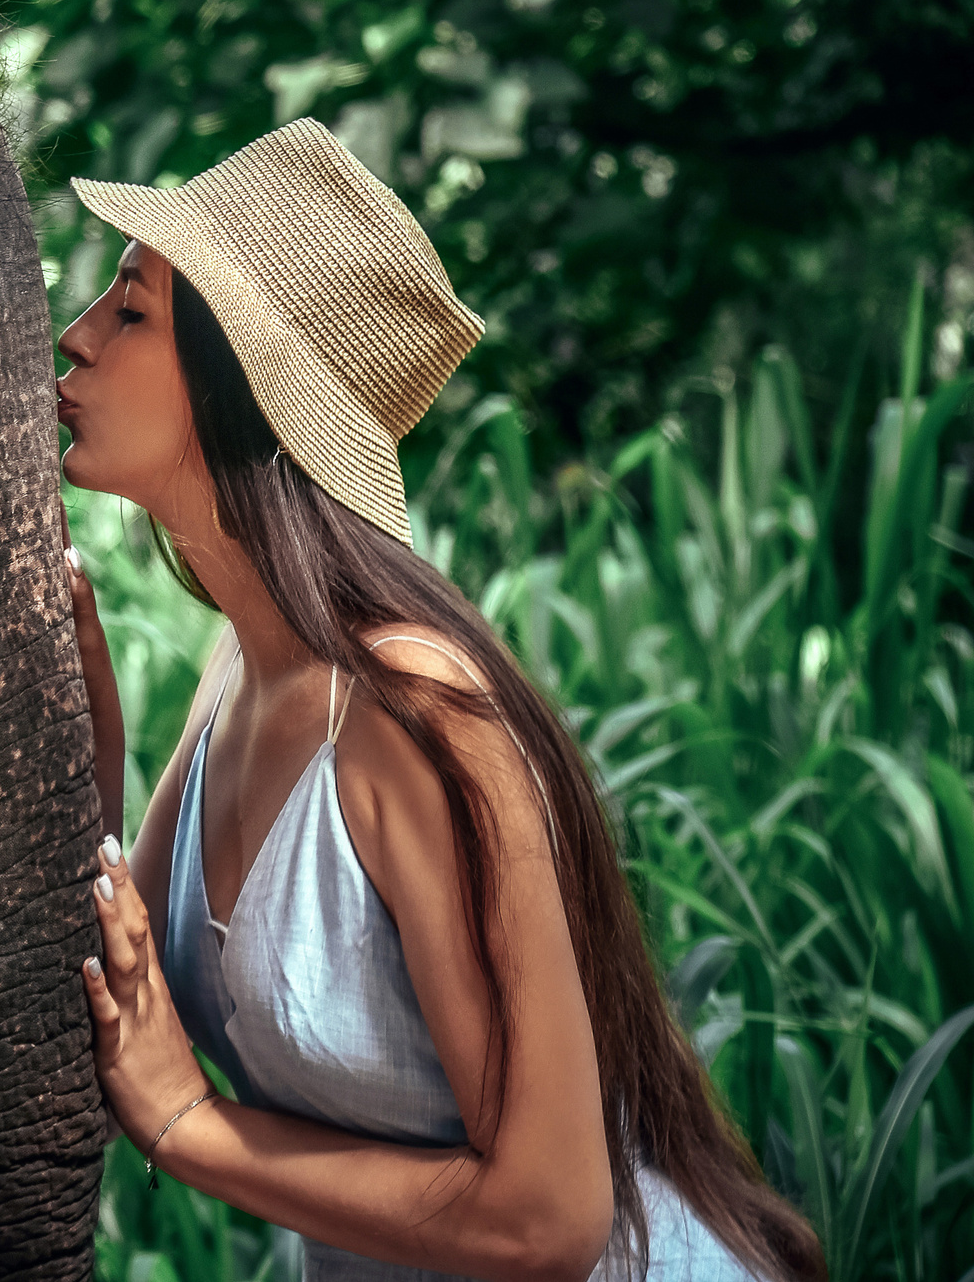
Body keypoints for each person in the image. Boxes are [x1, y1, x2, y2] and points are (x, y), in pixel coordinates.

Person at [54, 120, 821, 1282]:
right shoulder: (241, 674)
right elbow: (112, 977)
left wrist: (192, 1128)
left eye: (130, 309)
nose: (74, 335)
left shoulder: (410, 712)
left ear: (242, 390)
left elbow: (551, 1216)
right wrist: (86, 713)